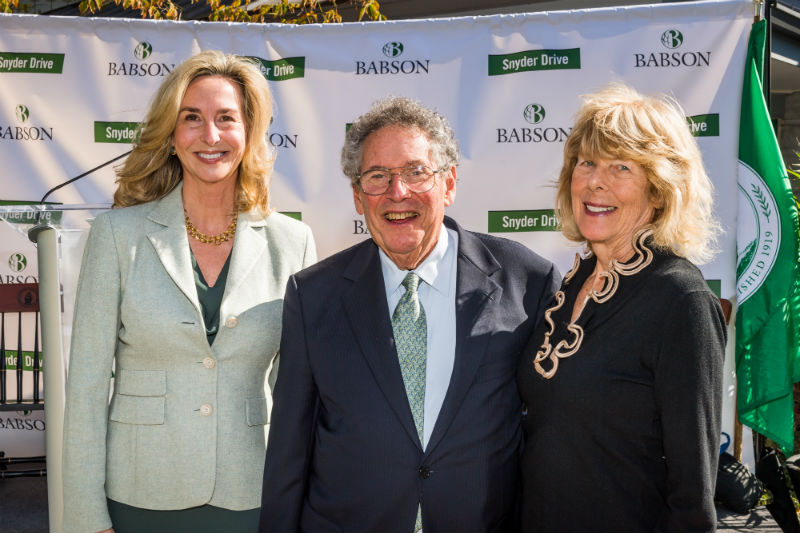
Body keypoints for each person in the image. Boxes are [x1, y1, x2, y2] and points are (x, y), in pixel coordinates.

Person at [258, 96, 560, 532]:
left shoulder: (527, 281)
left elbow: (550, 436)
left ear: (449, 183)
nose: (397, 193)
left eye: (416, 172)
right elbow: (290, 447)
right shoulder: (313, 295)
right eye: (378, 177)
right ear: (359, 198)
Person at [61, 50, 316, 533]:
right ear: (172, 135)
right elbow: (88, 390)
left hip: (252, 492)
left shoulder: (292, 242)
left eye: (227, 119)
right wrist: (85, 518)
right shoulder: (118, 236)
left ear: (249, 133)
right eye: (192, 119)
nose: (211, 136)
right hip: (141, 493)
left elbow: (300, 394)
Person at [517, 83, 727, 532]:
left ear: (659, 190)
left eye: (620, 167)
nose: (595, 180)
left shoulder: (681, 301)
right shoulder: (573, 282)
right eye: (586, 162)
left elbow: (693, 497)